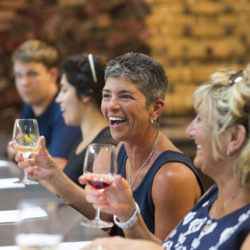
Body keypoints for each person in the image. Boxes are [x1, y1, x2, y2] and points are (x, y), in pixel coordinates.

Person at [16, 52, 204, 240]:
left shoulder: (171, 176)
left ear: (155, 108)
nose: (111, 105)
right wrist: (53, 174)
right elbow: (102, 215)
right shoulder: (121, 149)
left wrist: (129, 218)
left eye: (125, 97)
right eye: (107, 96)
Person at [83, 65, 250, 249]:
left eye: (200, 119)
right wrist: (128, 214)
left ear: (234, 137)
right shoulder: (215, 194)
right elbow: (167, 247)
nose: (189, 131)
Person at [7, 39, 81, 168]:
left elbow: (58, 167)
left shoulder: (64, 109)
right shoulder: (30, 106)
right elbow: (26, 149)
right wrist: (14, 152)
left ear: (52, 74)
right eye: (19, 75)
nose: (24, 83)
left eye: (32, 74)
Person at [57, 53, 116, 187]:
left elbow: (98, 203)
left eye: (64, 90)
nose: (58, 99)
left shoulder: (105, 146)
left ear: (86, 94)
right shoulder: (82, 140)